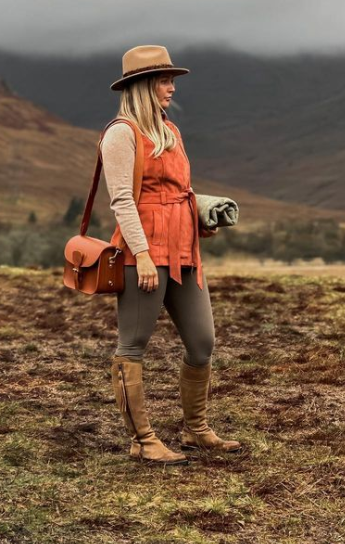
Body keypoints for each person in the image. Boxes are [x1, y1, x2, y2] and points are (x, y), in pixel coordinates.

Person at [100, 44, 242, 465]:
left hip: (185, 252)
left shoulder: (170, 132)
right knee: (134, 344)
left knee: (203, 341)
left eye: (172, 81)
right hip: (143, 254)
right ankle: (142, 440)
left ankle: (196, 430)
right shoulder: (121, 134)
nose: (171, 88)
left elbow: (179, 192)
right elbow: (123, 200)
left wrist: (201, 220)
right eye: (164, 81)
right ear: (142, 85)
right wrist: (141, 255)